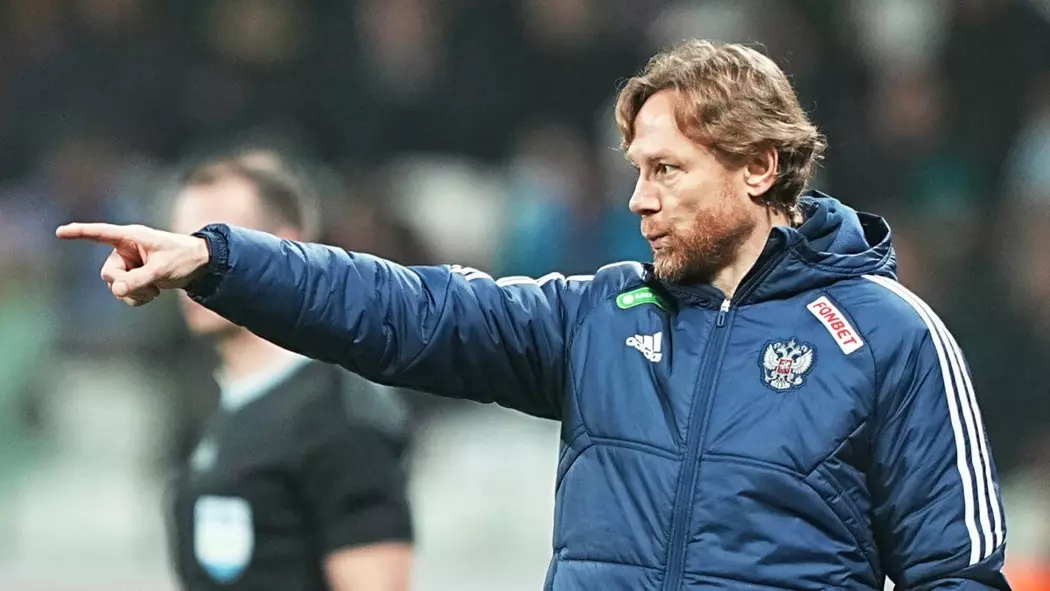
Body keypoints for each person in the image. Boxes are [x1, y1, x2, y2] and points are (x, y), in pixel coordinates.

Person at [57, 40, 1010, 590]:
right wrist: (222, 261)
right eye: (635, 169)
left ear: (759, 168)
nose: (638, 198)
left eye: (667, 170)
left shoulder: (890, 336)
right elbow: (402, 310)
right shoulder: (599, 318)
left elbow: (957, 572)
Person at [158, 150, 415, 591]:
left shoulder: (341, 414)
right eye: (179, 242)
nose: (182, 265)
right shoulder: (213, 404)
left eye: (210, 244)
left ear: (281, 250)